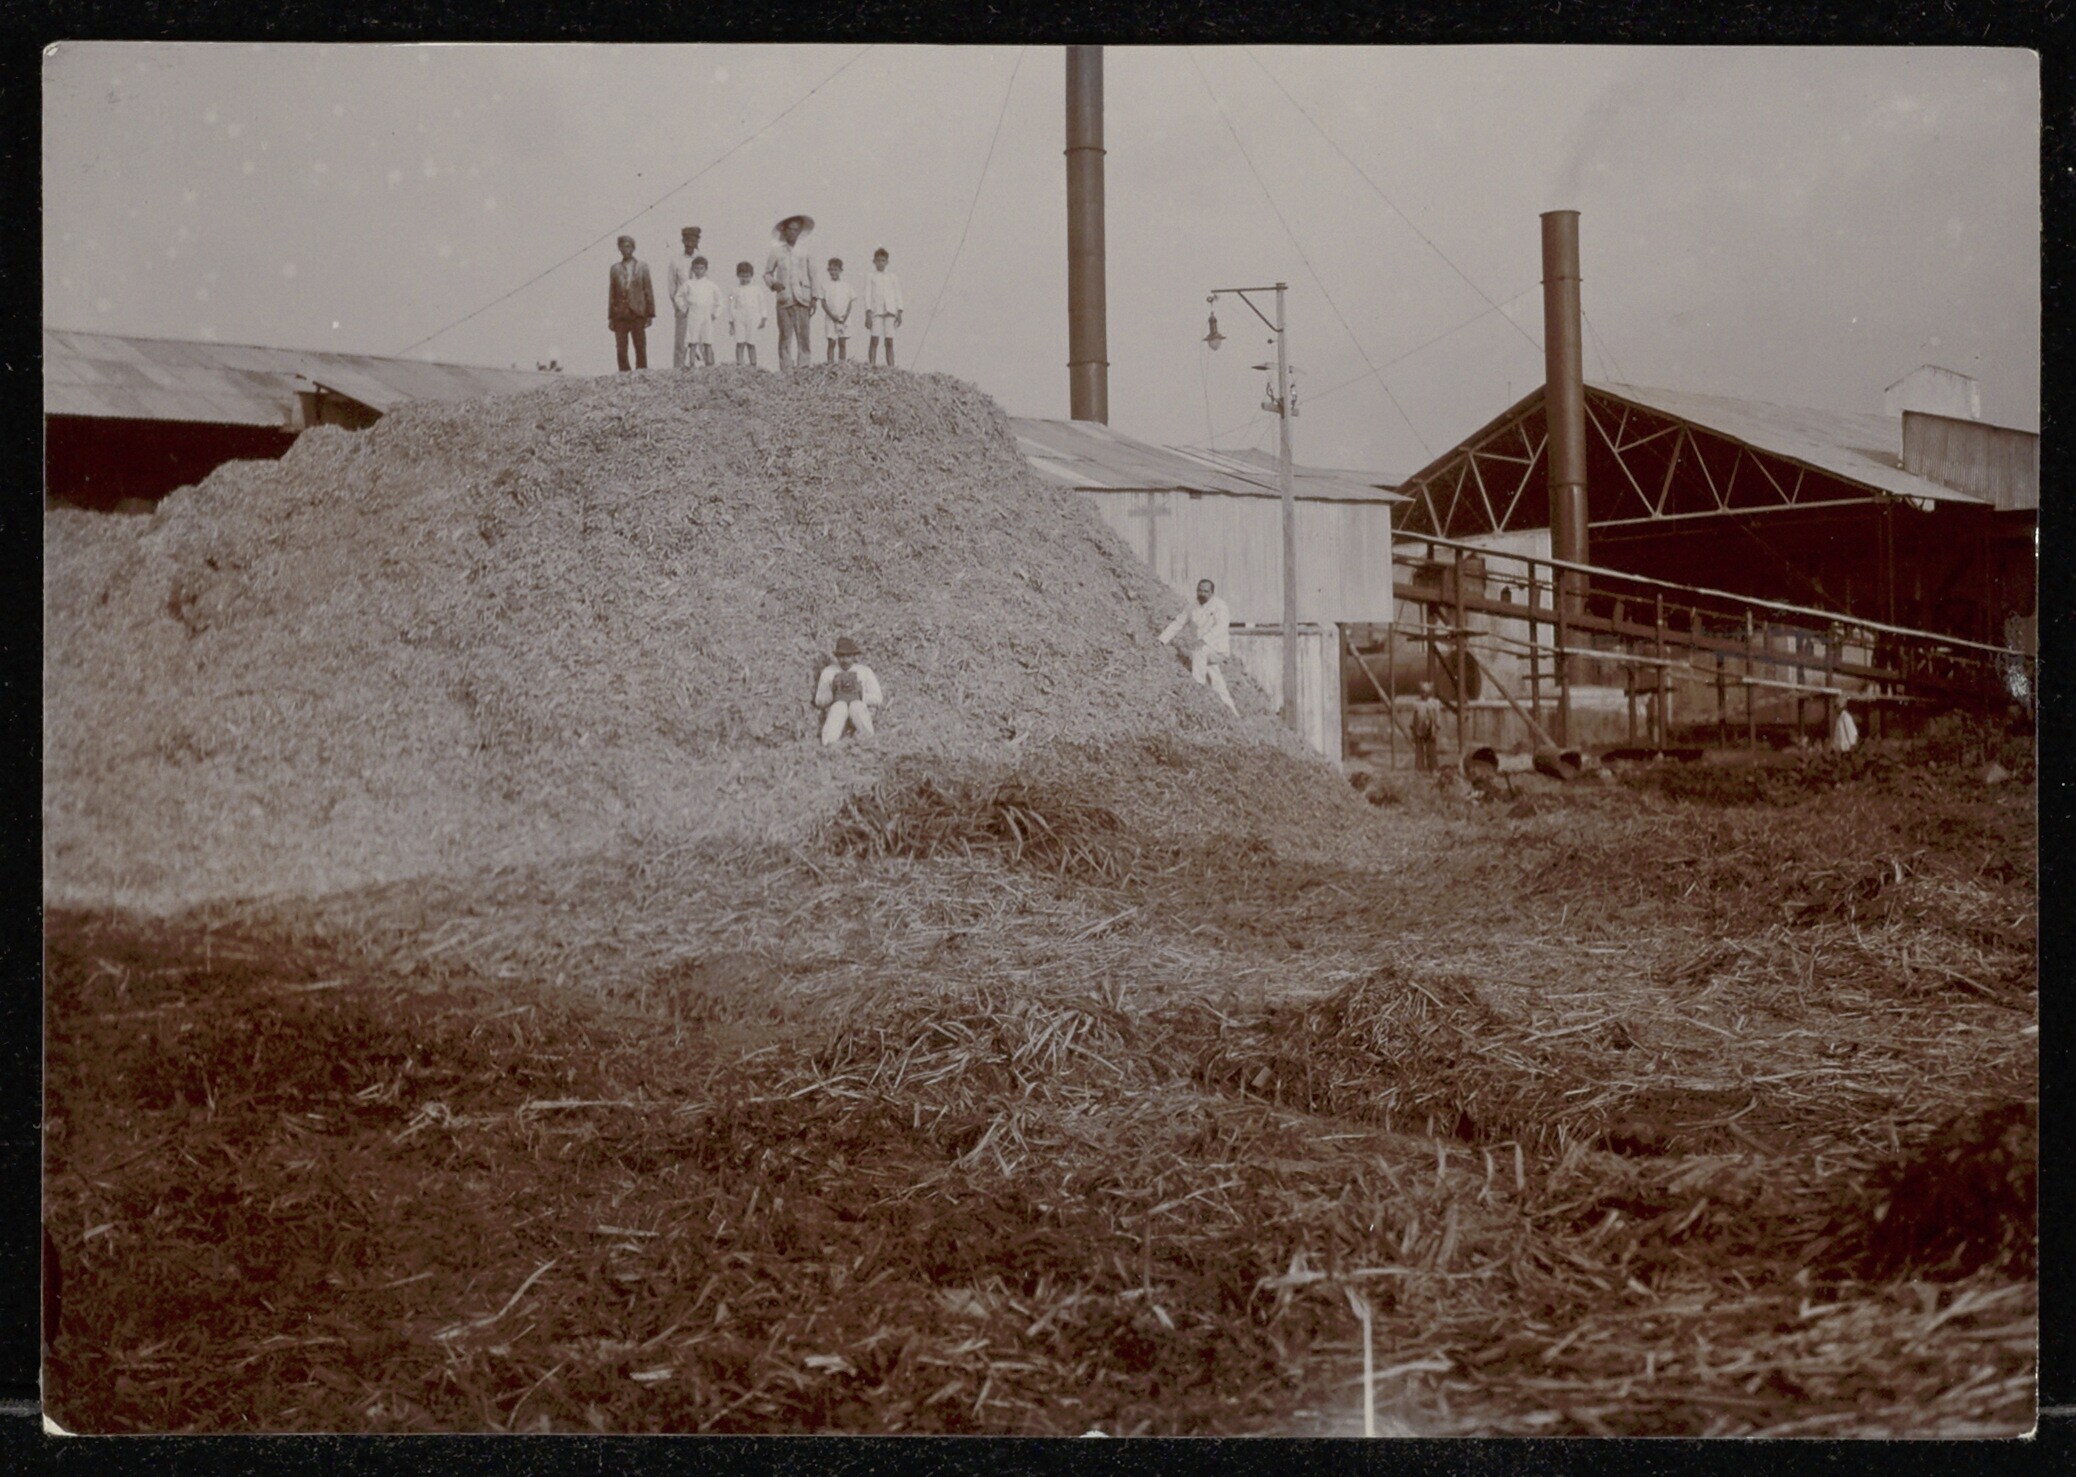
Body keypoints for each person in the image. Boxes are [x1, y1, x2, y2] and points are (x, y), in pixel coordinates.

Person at [1158, 578, 1239, 716]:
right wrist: (1162, 640)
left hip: (1218, 649)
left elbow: (1221, 627)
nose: (1202, 594)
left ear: (1212, 593)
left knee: (1199, 651)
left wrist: (1204, 640)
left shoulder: (1220, 606)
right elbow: (1178, 623)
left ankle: (1197, 688)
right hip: (1205, 652)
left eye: (1206, 591)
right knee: (1217, 682)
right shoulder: (1192, 607)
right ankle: (1233, 713)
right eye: (1200, 590)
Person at [763, 213, 823, 372]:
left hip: (803, 298)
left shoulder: (805, 251)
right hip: (784, 299)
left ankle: (803, 367)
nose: (792, 233)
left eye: (796, 230)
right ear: (784, 230)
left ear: (799, 232)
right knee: (785, 335)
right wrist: (773, 284)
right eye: (790, 229)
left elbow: (813, 274)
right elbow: (767, 273)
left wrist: (814, 297)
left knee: (804, 336)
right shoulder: (776, 251)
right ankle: (786, 368)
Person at [815, 636, 883, 746]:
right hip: (837, 712)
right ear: (837, 656)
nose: (845, 660)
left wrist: (861, 694)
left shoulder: (865, 671)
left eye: (848, 656)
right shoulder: (828, 672)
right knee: (839, 706)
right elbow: (818, 700)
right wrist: (833, 693)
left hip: (859, 711)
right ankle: (829, 744)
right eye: (841, 656)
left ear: (854, 656)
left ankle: (868, 740)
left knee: (856, 705)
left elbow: (878, 699)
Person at [607, 235, 656, 372]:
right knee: (621, 347)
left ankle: (641, 371)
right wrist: (611, 317)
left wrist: (650, 314)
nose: (625, 249)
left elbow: (648, 289)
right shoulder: (615, 268)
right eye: (622, 246)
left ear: (633, 248)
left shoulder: (642, 267)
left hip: (637, 312)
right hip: (620, 313)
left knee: (640, 344)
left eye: (628, 246)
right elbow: (612, 293)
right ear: (619, 249)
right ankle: (624, 372)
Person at [666, 226, 704, 370]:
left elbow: (706, 283)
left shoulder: (702, 260)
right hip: (682, 306)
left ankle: (707, 369)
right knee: (681, 340)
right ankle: (678, 369)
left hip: (699, 306)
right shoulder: (676, 260)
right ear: (682, 241)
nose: (689, 243)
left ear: (697, 241)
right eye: (687, 240)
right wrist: (677, 305)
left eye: (692, 240)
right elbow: (672, 285)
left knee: (702, 338)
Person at [675, 255, 723, 369]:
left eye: (701, 268)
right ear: (692, 269)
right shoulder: (688, 284)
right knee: (692, 339)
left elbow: (720, 300)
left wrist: (715, 313)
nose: (699, 271)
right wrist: (685, 309)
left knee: (707, 339)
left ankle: (709, 362)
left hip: (706, 314)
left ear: (706, 269)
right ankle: (692, 363)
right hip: (693, 313)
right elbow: (678, 296)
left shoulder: (711, 285)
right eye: (696, 268)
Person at [865, 248, 904, 367]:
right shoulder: (871, 276)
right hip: (876, 311)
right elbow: (867, 294)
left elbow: (898, 294)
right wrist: (868, 312)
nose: (880, 263)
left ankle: (891, 366)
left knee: (889, 341)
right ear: (874, 261)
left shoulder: (892, 277)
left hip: (890, 311)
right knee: (874, 339)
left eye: (883, 260)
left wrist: (899, 311)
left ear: (887, 262)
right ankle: (872, 364)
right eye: (878, 260)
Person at [728, 261, 766, 367]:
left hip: (753, 317)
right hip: (739, 317)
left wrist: (763, 318)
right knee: (740, 342)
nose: (744, 279)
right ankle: (740, 363)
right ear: (738, 275)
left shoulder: (757, 289)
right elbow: (731, 305)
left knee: (751, 342)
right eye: (742, 276)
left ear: (751, 275)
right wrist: (731, 322)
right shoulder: (734, 290)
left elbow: (762, 303)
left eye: (747, 276)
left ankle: (753, 364)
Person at [820, 257, 856, 362]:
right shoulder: (825, 285)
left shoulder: (846, 285)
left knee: (842, 342)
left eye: (835, 269)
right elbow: (823, 303)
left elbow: (850, 302)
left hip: (844, 318)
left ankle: (842, 364)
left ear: (840, 270)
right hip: (831, 318)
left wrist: (846, 316)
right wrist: (832, 316)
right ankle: (830, 364)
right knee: (831, 342)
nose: (833, 272)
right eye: (831, 270)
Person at [1408, 680, 1444, 772]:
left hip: (1430, 727)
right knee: (1419, 749)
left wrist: (1436, 726)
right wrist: (1412, 728)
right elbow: (1413, 716)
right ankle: (1420, 768)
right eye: (1422, 692)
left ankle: (1433, 768)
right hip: (1419, 727)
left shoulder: (1435, 703)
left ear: (1429, 693)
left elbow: (1437, 716)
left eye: (1425, 692)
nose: (1423, 694)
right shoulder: (1416, 703)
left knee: (1431, 748)